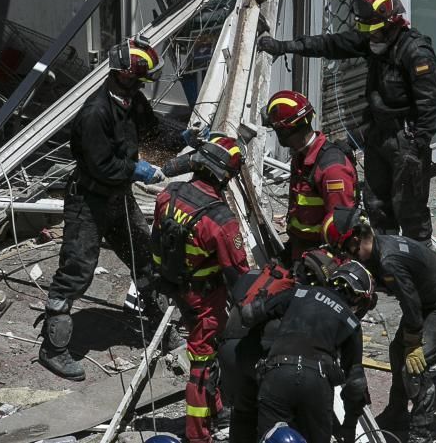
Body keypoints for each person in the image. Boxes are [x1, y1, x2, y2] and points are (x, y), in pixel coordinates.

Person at [257, 0, 436, 243]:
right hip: (377, 134)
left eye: (374, 31)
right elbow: (330, 44)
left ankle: (420, 268)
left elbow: (431, 106)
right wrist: (285, 46)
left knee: (410, 210)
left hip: (406, 139)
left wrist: (416, 147)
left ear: (391, 24)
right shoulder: (374, 42)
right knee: (376, 204)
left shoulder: (415, 52)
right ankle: (386, 260)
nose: (370, 39)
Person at [39, 37, 166, 381]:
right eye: (139, 77)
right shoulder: (96, 113)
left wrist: (183, 141)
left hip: (117, 198)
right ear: (124, 72)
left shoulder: (131, 100)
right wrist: (137, 169)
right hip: (90, 201)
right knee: (77, 270)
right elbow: (103, 166)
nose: (142, 84)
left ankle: (155, 321)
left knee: (145, 256)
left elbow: (153, 133)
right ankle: (53, 348)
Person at [322, 206, 436, 443]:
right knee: (396, 352)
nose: (347, 257)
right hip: (427, 300)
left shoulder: (389, 261)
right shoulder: (378, 250)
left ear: (356, 239)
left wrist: (413, 343)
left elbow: (411, 305)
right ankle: (397, 412)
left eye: (345, 249)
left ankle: (421, 432)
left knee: (414, 367)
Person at [151, 135, 250, 443]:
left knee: (207, 351)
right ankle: (198, 435)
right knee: (203, 364)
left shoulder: (169, 195)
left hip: (178, 289)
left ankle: (219, 409)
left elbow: (157, 245)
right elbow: (239, 276)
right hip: (207, 299)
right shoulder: (221, 220)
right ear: (226, 176)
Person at [240, 260, 375, 443]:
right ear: (359, 298)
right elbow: (356, 383)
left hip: (277, 375)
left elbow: (249, 314)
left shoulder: (300, 292)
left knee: (271, 438)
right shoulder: (351, 321)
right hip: (316, 383)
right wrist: (349, 426)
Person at [218, 248, 343, 443]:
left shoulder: (261, 278)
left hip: (229, 352)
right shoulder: (302, 300)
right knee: (281, 425)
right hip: (261, 359)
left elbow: (236, 297)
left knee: (243, 413)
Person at [260, 90, 359, 262]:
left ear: (284, 131)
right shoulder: (300, 157)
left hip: (322, 259)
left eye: (276, 129)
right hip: (301, 250)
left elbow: (341, 230)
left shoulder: (332, 169)